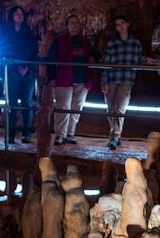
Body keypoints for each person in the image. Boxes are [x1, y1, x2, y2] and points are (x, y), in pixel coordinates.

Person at [101, 15, 143, 149]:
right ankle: (115, 135)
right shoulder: (112, 43)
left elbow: (139, 58)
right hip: (112, 77)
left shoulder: (135, 42)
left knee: (120, 108)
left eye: (122, 23)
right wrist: (104, 80)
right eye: (118, 25)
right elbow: (106, 62)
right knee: (110, 108)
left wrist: (147, 60)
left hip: (126, 78)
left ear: (127, 24)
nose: (120, 26)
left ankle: (115, 136)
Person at [52, 13, 93, 145]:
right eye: (72, 22)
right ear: (67, 25)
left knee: (76, 108)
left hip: (81, 79)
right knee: (63, 107)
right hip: (64, 78)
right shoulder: (60, 40)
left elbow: (92, 54)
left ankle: (70, 133)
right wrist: (52, 77)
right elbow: (52, 58)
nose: (74, 25)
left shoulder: (85, 41)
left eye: (76, 22)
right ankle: (60, 134)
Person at [3, 5, 39, 144]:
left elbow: (33, 51)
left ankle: (26, 133)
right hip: (12, 71)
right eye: (17, 13)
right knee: (11, 102)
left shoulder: (29, 33)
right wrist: (17, 66)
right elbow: (5, 51)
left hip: (28, 72)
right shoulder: (6, 34)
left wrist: (26, 67)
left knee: (26, 102)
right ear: (12, 16)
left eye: (21, 13)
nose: (19, 15)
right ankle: (10, 133)